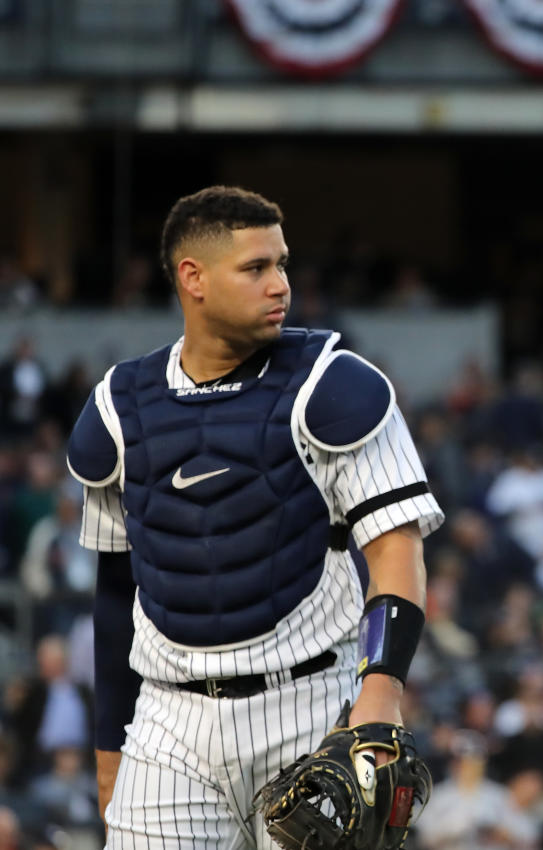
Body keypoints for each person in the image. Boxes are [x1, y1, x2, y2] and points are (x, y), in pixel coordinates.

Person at [66, 186, 443, 848]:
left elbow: (396, 552)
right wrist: (107, 751)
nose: (281, 286)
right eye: (256, 268)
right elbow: (113, 594)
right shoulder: (118, 408)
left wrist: (380, 695)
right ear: (194, 278)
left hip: (313, 708)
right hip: (167, 721)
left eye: (282, 264)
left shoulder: (335, 383)